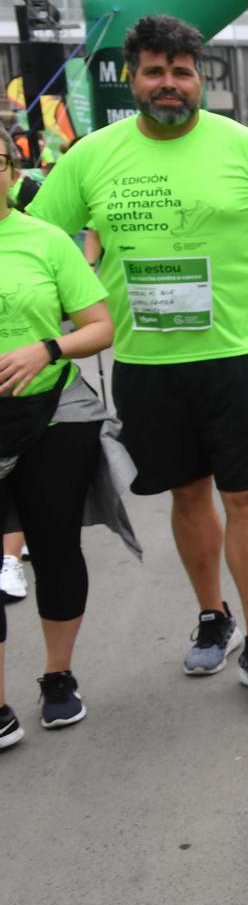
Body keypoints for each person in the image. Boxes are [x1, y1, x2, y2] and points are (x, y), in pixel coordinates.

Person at [32, 14, 248, 698]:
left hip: (237, 351)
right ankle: (214, 616)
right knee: (186, 493)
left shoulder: (244, 146)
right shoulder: (92, 155)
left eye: (182, 72)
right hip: (147, 360)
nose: (170, 84)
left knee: (244, 496)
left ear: (197, 78)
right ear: (132, 77)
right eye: (156, 71)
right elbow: (42, 240)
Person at [0, 183, 114, 744]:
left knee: (55, 548)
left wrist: (46, 349)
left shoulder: (44, 241)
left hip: (54, 417)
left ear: (11, 171)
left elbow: (100, 326)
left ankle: (57, 675)